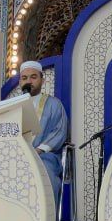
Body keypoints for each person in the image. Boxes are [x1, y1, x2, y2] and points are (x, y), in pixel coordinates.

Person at [17, 60, 69, 206]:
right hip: (17, 155)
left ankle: (46, 218)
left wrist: (37, 151)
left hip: (45, 157)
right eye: (24, 78)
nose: (29, 81)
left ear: (42, 80)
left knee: (45, 174)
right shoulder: (13, 106)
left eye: (33, 77)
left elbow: (60, 131)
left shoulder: (54, 104)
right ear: (20, 82)